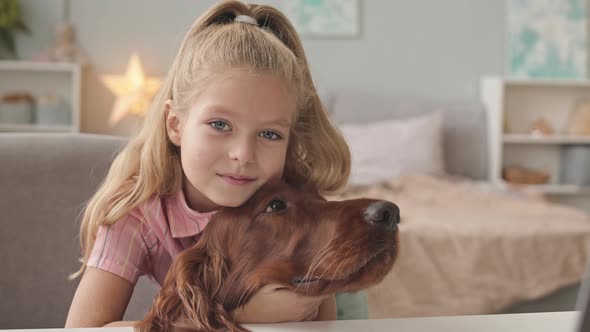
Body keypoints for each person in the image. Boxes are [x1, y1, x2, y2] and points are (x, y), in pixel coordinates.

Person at [65, 0, 350, 328]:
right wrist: (234, 318)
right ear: (175, 124)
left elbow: (324, 325)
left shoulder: (300, 206)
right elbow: (82, 329)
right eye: (220, 125)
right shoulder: (138, 215)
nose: (243, 154)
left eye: (269, 133)